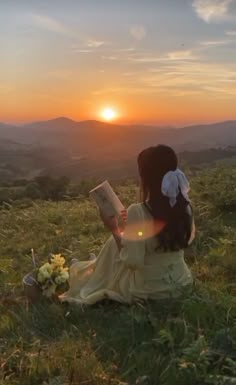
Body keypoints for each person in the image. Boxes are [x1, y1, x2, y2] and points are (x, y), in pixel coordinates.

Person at [60, 145, 195, 305]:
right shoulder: (184, 206)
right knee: (123, 238)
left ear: (147, 178)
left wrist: (114, 228)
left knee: (114, 242)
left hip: (150, 290)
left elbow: (132, 262)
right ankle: (95, 266)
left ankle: (94, 271)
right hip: (183, 281)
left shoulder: (138, 211)